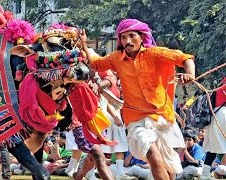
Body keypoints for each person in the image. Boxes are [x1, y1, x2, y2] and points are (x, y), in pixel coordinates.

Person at [80, 18, 195, 180]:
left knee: (168, 167)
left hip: (162, 118)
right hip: (136, 120)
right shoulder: (116, 58)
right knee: (153, 156)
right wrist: (83, 44)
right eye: (123, 37)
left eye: (131, 36)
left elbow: (185, 59)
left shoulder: (155, 53)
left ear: (142, 37)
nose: (127, 41)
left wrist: (190, 74)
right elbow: (95, 64)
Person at [202, 77, 226, 179]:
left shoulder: (222, 82)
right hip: (222, 113)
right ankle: (220, 170)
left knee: (213, 146)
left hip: (216, 114)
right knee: (214, 145)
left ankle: (206, 173)